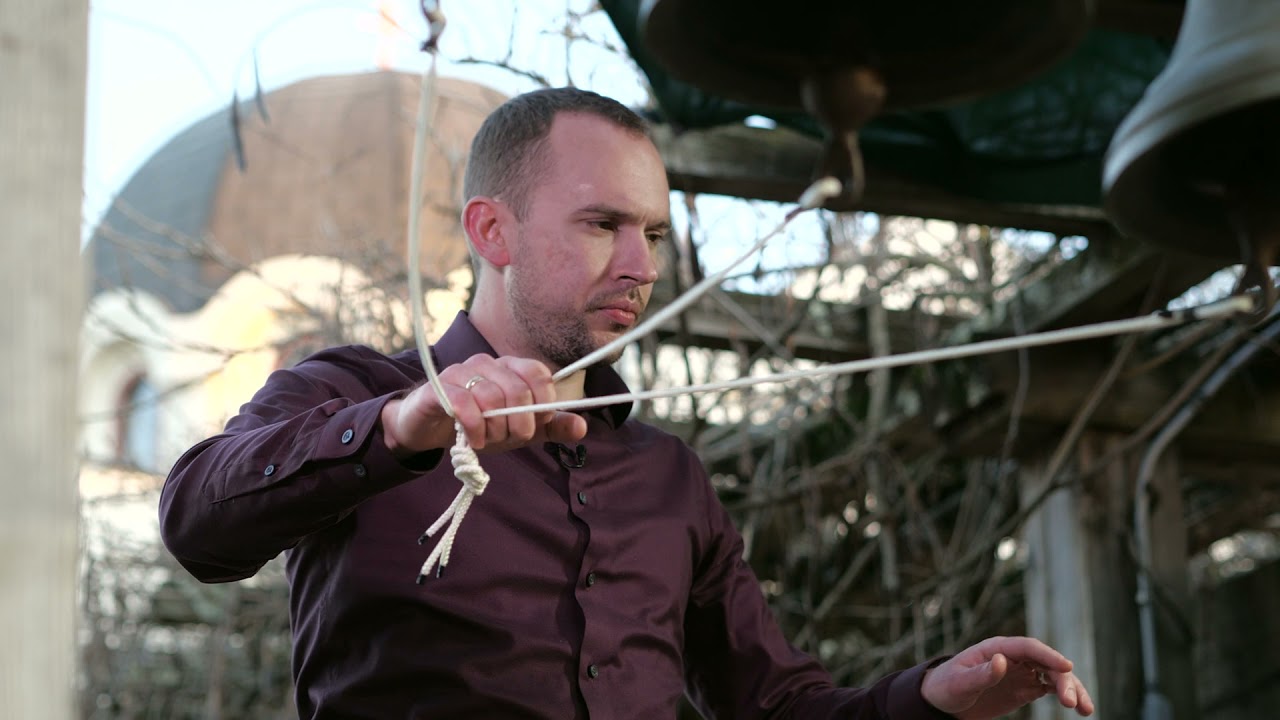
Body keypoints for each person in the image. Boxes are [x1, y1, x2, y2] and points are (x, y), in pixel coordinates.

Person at [160, 87, 1095, 720]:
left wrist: (927, 698)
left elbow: (772, 704)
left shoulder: (667, 477)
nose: (644, 267)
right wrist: (404, 427)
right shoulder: (353, 395)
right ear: (494, 230)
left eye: (651, 230)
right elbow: (198, 522)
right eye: (603, 224)